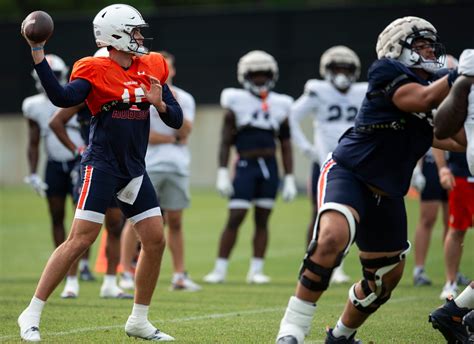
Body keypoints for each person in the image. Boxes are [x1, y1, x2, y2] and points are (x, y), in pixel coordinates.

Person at [275, 16, 462, 343]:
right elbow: (418, 100)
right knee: (331, 238)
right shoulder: (387, 72)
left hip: (388, 193)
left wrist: (464, 96)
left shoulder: (438, 92)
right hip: (350, 172)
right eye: (420, 46)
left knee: (384, 281)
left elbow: (458, 140)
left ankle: (341, 336)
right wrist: (458, 77)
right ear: (397, 49)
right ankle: (291, 331)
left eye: (431, 47)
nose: (430, 53)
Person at [18, 4, 182, 342]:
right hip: (102, 164)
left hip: (134, 167)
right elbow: (62, 98)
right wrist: (38, 53)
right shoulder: (94, 69)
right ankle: (31, 312)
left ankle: (139, 320)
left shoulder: (151, 67)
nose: (139, 37)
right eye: (134, 31)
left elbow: (176, 120)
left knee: (154, 239)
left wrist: (160, 103)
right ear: (116, 35)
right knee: (80, 239)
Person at [203, 50, 297, 285]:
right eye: (254, 75)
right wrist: (223, 172)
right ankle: (220, 269)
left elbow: (285, 143)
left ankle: (256, 270)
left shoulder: (281, 104)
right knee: (236, 216)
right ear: (245, 76)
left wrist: (290, 177)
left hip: (269, 166)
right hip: (245, 164)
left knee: (263, 219)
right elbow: (226, 140)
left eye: (263, 74)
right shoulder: (235, 100)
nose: (259, 79)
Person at [49, 46, 131, 299]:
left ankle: (109, 282)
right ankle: (71, 281)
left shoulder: (124, 90)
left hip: (119, 165)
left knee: (115, 225)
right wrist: (77, 149)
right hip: (95, 165)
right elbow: (56, 121)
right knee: (81, 229)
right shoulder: (87, 93)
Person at [119, 51, 201, 292]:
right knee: (135, 220)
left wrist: (170, 105)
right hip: (147, 165)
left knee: (175, 221)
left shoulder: (184, 98)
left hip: (177, 166)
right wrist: (171, 138)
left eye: (167, 67)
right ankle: (124, 271)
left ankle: (179, 276)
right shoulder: (138, 93)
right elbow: (144, 136)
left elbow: (185, 131)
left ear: (171, 71)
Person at [290, 45, 367, 284]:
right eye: (337, 68)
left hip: (357, 163)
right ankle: (311, 262)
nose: (342, 73)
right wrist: (306, 148)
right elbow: (292, 115)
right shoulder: (318, 90)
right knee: (320, 214)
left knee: (351, 217)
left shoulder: (363, 91)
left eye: (346, 68)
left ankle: (338, 266)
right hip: (326, 163)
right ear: (327, 70)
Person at [22, 54, 96, 282]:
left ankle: (83, 265)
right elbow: (33, 140)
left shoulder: (75, 96)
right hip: (53, 163)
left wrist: (79, 151)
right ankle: (63, 264)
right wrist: (33, 172)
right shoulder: (32, 105)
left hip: (78, 160)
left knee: (81, 216)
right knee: (56, 215)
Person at [428, 49, 474, 343]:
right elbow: (440, 128)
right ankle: (456, 309)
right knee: (455, 229)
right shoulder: (464, 70)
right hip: (463, 168)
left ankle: (456, 311)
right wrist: (462, 81)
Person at [432, 149, 473, 299]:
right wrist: (443, 168)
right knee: (456, 230)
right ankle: (450, 282)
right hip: (461, 174)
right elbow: (437, 136)